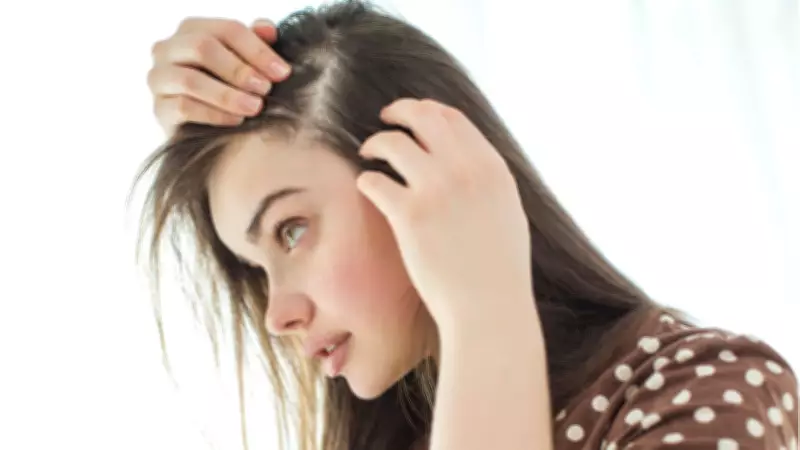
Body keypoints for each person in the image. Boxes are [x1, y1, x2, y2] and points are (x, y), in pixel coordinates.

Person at [137, 1, 799, 449]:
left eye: (291, 231)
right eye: (255, 267)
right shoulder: (403, 426)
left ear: (423, 169)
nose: (275, 316)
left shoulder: (701, 385)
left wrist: (484, 306)